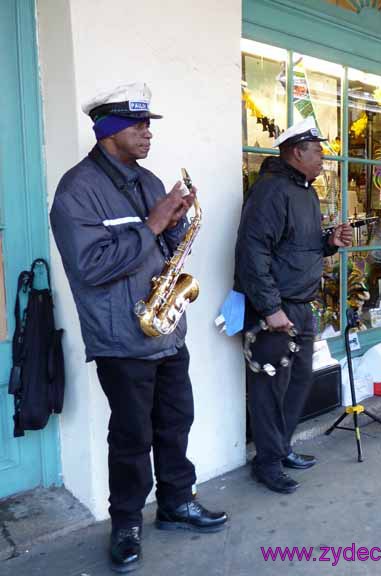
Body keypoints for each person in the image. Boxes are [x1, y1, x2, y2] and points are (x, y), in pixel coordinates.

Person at [49, 82, 227, 573]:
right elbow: (89, 267)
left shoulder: (148, 180)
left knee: (176, 422)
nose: (148, 133)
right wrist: (151, 224)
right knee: (131, 437)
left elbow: (163, 250)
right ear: (108, 131)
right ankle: (126, 522)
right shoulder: (77, 189)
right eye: (138, 125)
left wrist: (174, 225)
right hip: (121, 338)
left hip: (165, 327)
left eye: (149, 124)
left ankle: (176, 502)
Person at [235, 118, 353, 493]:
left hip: (300, 306)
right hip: (277, 310)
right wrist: (271, 309)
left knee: (299, 381)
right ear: (296, 151)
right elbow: (252, 254)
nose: (322, 157)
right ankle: (267, 463)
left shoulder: (306, 191)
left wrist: (329, 242)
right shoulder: (271, 191)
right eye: (317, 151)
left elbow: (297, 246)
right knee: (270, 387)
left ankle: (280, 447)